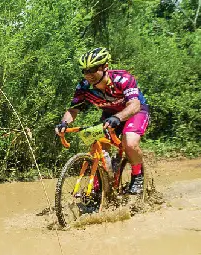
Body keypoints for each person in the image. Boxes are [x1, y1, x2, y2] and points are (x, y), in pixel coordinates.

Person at [54, 47, 150, 198]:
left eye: (92, 69)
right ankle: (104, 184)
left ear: (105, 67)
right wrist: (64, 123)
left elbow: (134, 105)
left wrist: (118, 118)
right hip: (110, 114)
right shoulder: (84, 87)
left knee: (129, 142)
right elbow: (73, 110)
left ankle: (137, 176)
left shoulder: (123, 79)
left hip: (134, 111)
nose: (88, 75)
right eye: (85, 71)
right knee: (100, 144)